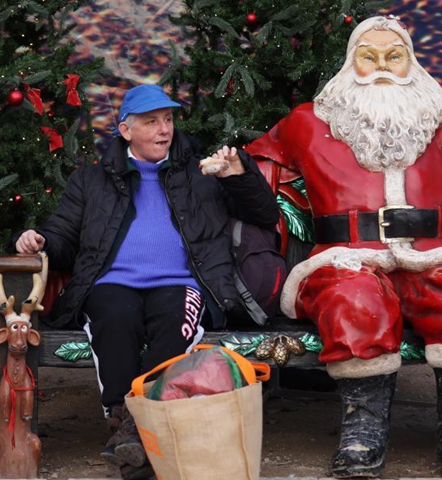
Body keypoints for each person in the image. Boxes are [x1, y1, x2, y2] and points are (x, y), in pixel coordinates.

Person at [245, 15, 442, 478]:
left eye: (393, 57)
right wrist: (234, 176)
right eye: (367, 56)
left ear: (410, 62)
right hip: (347, 258)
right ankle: (363, 429)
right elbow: (261, 160)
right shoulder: (311, 122)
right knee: (354, 302)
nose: (380, 67)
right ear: (350, 61)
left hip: (435, 256)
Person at [14, 84, 279, 479]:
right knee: (114, 317)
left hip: (185, 283)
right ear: (125, 131)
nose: (164, 129)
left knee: (174, 321)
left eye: (169, 120)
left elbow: (264, 215)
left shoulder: (202, 173)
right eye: (151, 122)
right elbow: (64, 235)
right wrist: (39, 240)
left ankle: (132, 433)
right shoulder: (92, 180)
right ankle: (137, 430)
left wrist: (239, 175)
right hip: (111, 283)